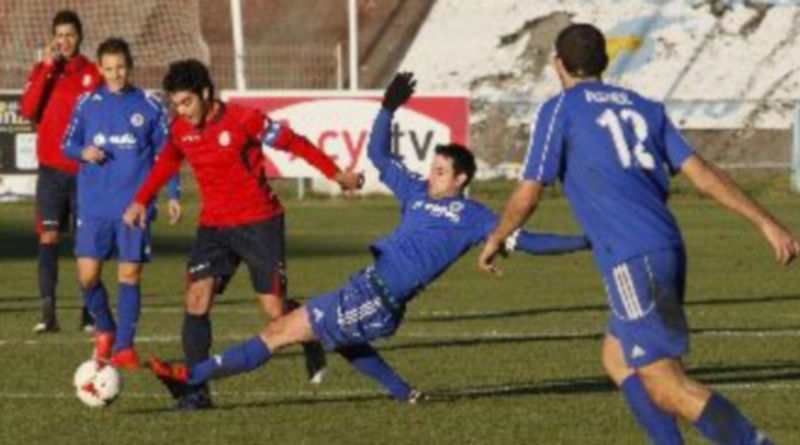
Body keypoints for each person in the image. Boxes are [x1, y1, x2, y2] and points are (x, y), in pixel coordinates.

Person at [147, 72, 591, 409]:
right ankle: (403, 392)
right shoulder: (417, 192)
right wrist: (387, 108)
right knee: (331, 335)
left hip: (380, 296)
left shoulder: (475, 218)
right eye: (431, 167)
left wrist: (587, 241)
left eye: (440, 171)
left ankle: (190, 375)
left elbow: (529, 241)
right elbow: (379, 155)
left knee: (280, 329)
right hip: (369, 285)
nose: (430, 175)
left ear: (461, 179)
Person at [478, 24, 799, 445]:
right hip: (665, 246)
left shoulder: (560, 109)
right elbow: (702, 173)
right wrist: (766, 221)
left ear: (557, 65)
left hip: (633, 259)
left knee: (667, 385)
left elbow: (529, 191)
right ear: (605, 62)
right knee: (618, 358)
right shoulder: (646, 108)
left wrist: (499, 235)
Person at [123, 59, 363, 410]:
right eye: (175, 104)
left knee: (275, 310)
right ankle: (197, 392)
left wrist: (335, 173)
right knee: (196, 300)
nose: (181, 111)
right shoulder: (179, 130)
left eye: (187, 102)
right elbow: (167, 162)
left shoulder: (244, 119)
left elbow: (294, 144)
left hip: (259, 222)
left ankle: (308, 335)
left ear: (206, 94)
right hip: (214, 227)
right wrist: (141, 201)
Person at [63, 38, 181, 369]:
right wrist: (82, 152)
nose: (115, 75)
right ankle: (105, 328)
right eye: (109, 69)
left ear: (130, 66)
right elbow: (67, 143)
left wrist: (173, 194)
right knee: (87, 276)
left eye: (121, 68)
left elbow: (167, 156)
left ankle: (126, 347)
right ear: (99, 69)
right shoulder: (87, 104)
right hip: (94, 204)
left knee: (129, 274)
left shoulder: (149, 105)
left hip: (134, 205)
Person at [20, 9, 102, 334]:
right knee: (49, 237)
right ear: (52, 39)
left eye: (70, 35)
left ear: (80, 37)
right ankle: (48, 313)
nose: (65, 41)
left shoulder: (93, 74)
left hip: (84, 173)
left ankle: (89, 312)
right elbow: (28, 110)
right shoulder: (43, 71)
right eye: (59, 36)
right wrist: (47, 70)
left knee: (86, 243)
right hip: (51, 172)